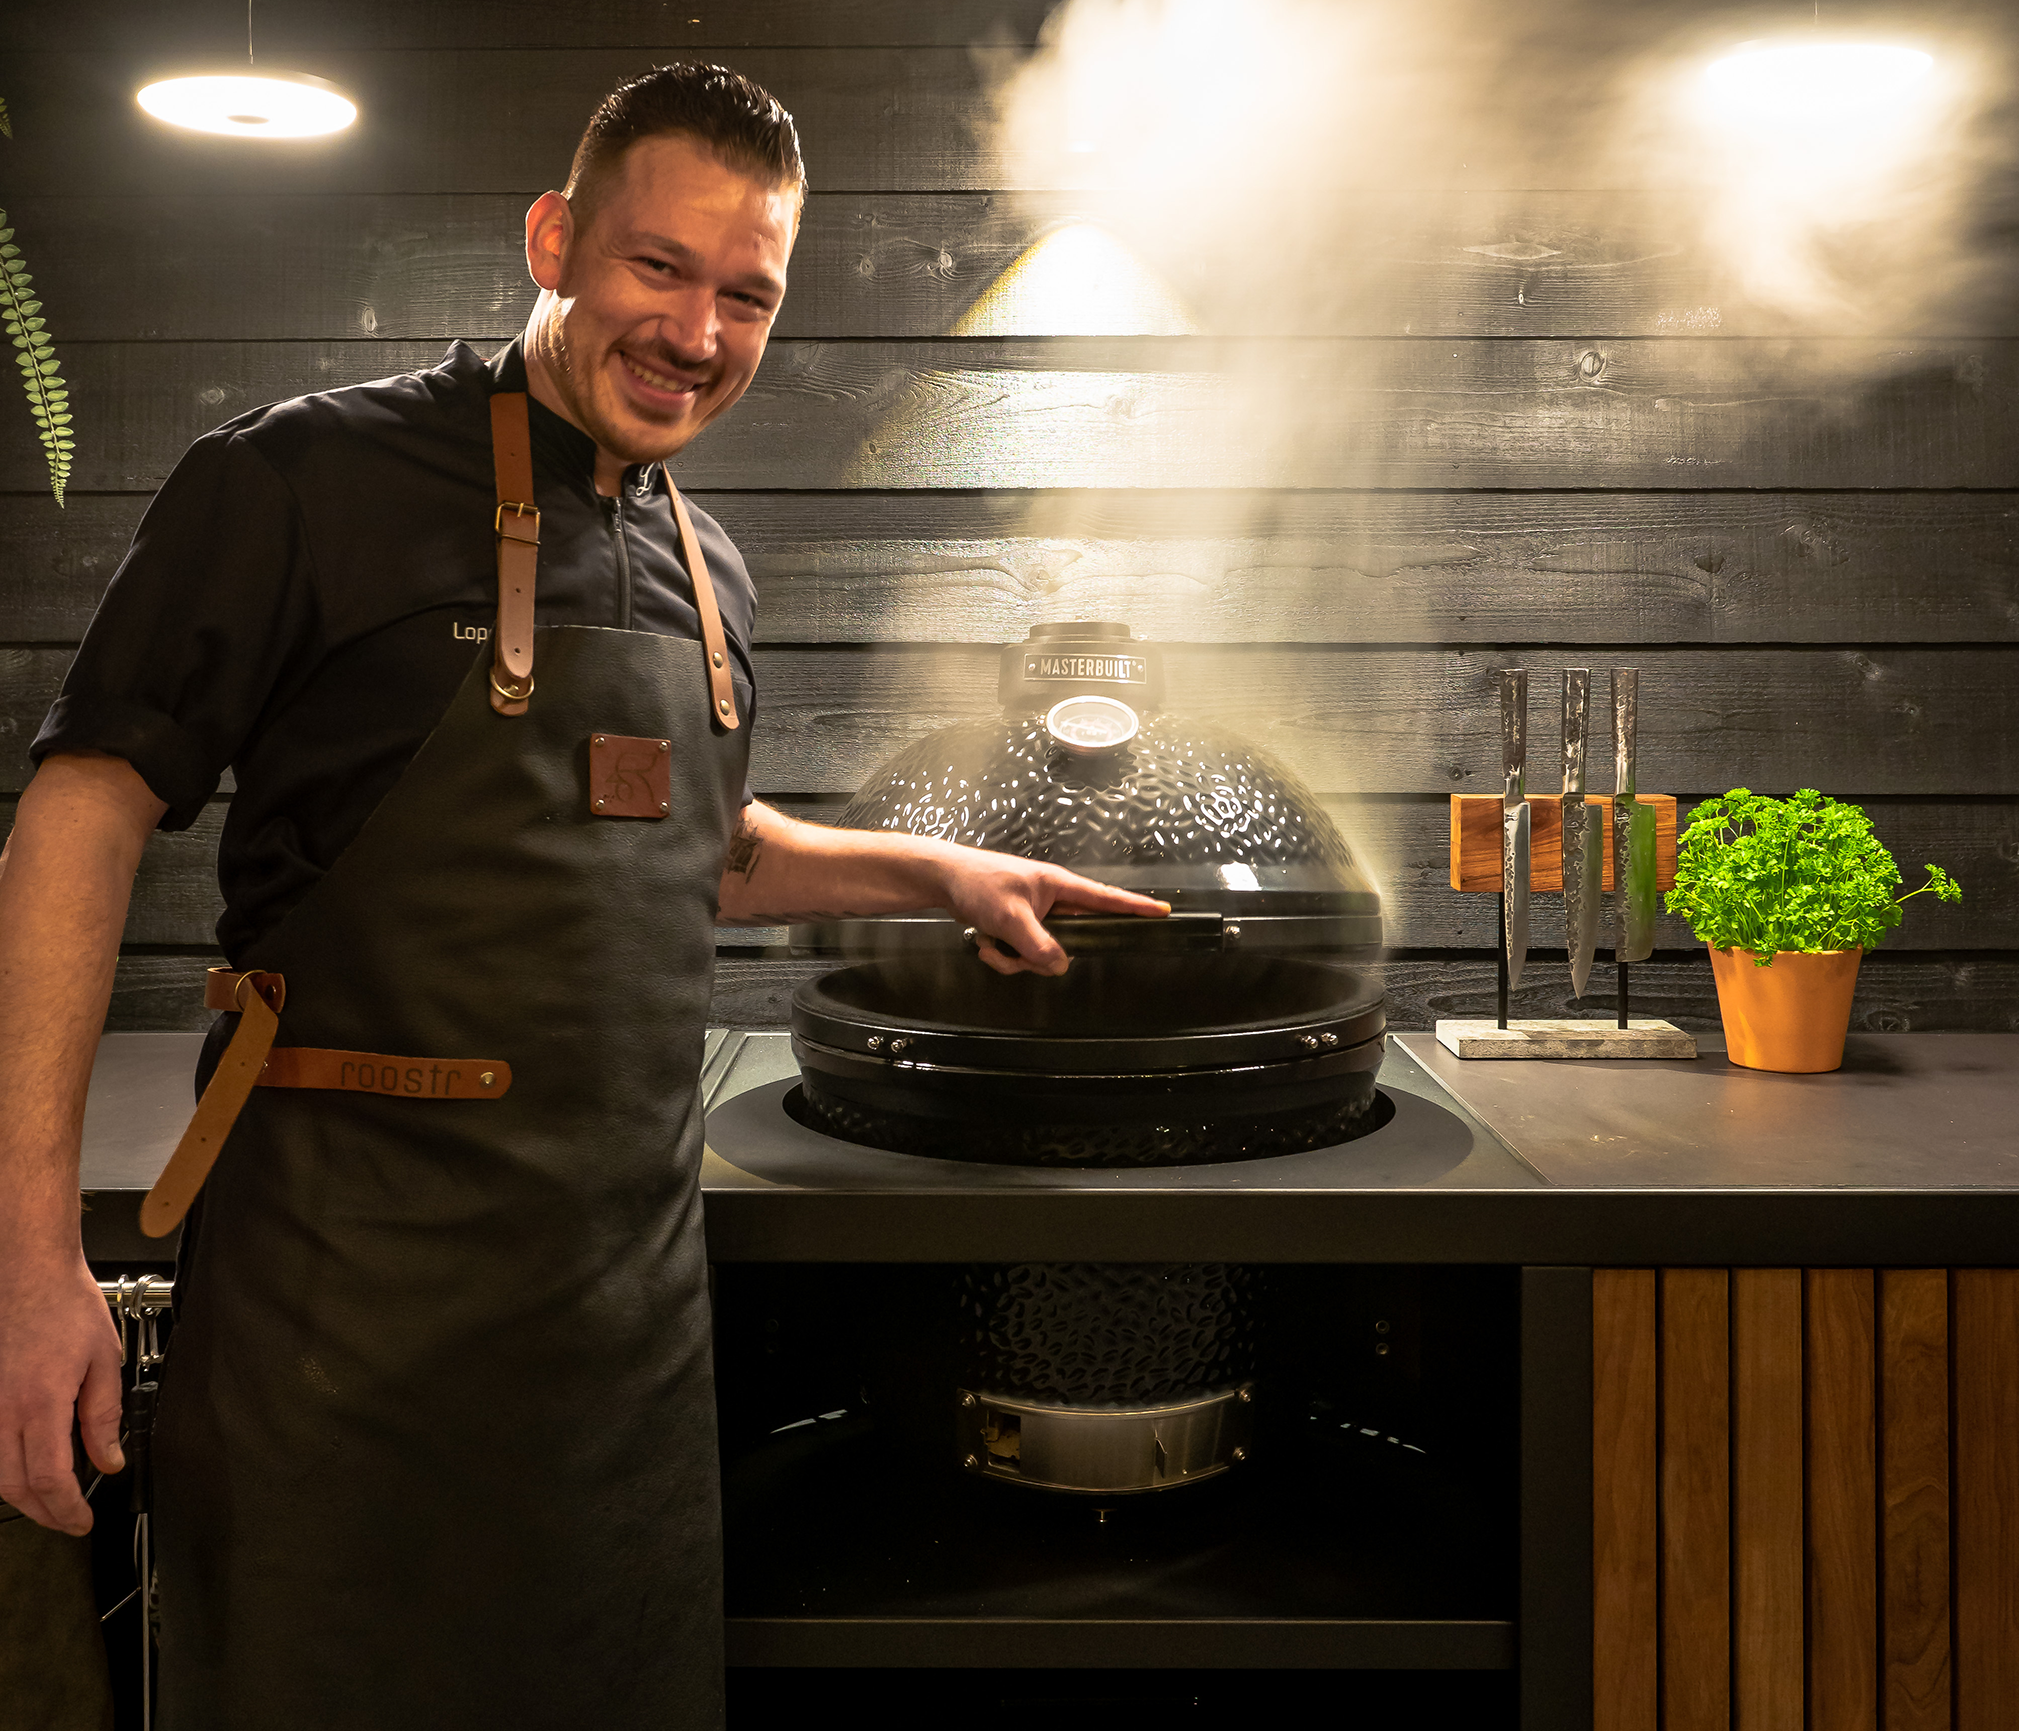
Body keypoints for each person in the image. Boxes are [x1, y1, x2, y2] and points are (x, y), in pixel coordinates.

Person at [0, 63, 1162, 1728]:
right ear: (555, 237)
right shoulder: (297, 483)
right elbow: (79, 814)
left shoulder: (710, 570)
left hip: (620, 1333)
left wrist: (936, 867)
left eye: (744, 293)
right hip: (344, 1316)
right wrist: (22, 1259)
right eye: (657, 268)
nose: (697, 331)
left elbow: (702, 846)